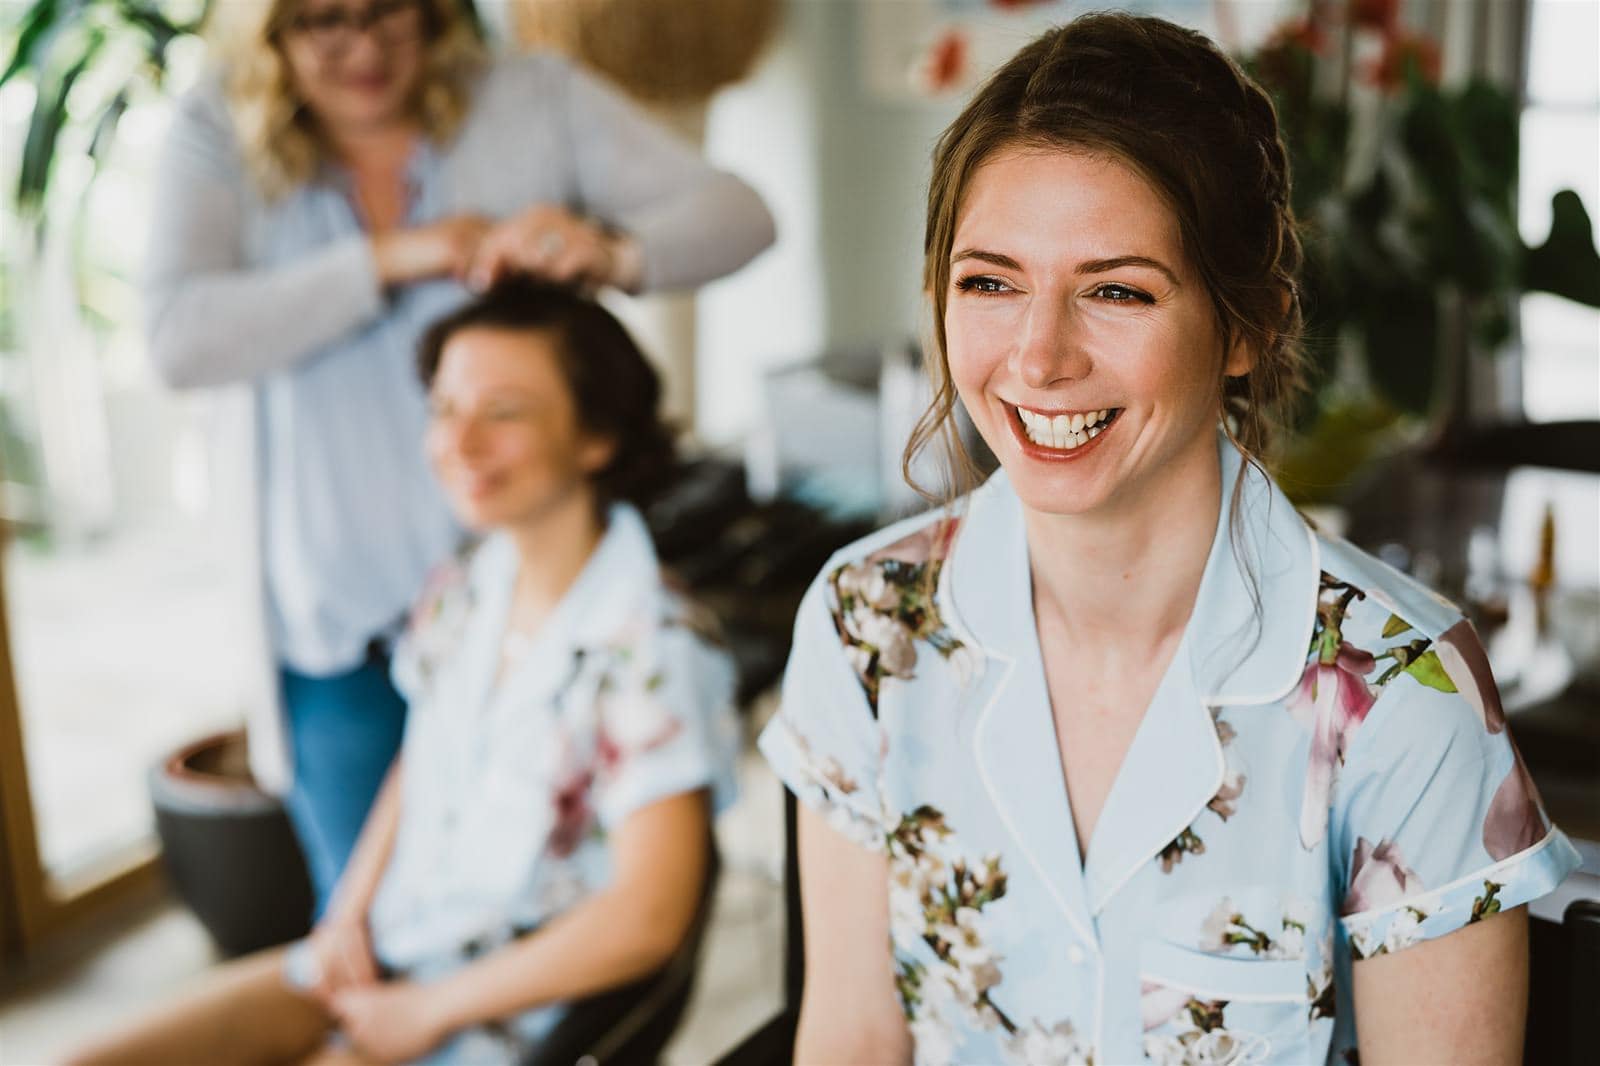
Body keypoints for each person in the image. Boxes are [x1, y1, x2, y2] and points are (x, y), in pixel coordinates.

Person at [757, 13, 1581, 1066]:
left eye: (1115, 291)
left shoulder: (1404, 694)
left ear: (1248, 327)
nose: (1039, 356)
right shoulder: (866, 622)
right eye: (989, 282)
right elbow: (853, 1040)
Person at [144, 0, 772, 908]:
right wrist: (392, 259)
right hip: (345, 634)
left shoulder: (532, 97)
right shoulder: (214, 131)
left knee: (544, 915)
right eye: (323, 21)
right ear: (267, 31)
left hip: (532, 620)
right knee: (377, 924)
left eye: (388, 12)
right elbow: (176, 340)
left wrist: (608, 251)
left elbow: (741, 216)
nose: (363, 47)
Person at [72, 278, 738, 1066]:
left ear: (597, 437)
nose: (459, 444)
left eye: (504, 412)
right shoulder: (461, 587)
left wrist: (428, 1012)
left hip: (504, 1013)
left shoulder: (654, 643)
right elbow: (422, 761)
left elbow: (650, 915)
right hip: (387, 951)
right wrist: (347, 915)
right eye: (446, 408)